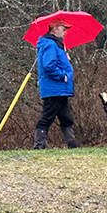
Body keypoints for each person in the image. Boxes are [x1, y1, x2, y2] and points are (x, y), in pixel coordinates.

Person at [34, 19, 79, 149]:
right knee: (47, 117)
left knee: (66, 117)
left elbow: (55, 62)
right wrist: (63, 76)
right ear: (55, 29)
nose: (65, 33)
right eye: (63, 29)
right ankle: (39, 145)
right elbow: (49, 66)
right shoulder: (50, 44)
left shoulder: (56, 45)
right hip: (54, 89)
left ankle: (72, 144)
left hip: (60, 90)